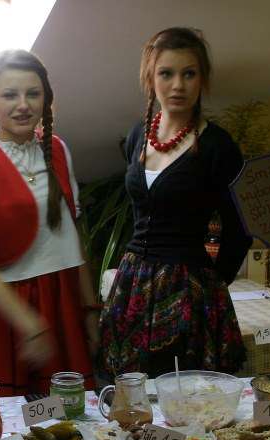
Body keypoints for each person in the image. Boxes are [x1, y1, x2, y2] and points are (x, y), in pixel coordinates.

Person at [98, 27, 252, 380]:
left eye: (189, 74)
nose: (178, 85)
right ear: (150, 78)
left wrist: (211, 286)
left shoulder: (218, 146)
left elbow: (240, 228)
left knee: (184, 394)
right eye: (166, 73)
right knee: (131, 393)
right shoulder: (138, 135)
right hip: (132, 284)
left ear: (203, 79)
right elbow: (140, 210)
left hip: (187, 289)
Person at [0, 49, 98, 396]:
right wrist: (28, 323)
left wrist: (90, 310)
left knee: (64, 414)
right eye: (9, 95)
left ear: (46, 98)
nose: (23, 105)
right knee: (3, 417)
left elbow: (71, 240)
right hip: (7, 308)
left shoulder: (57, 150)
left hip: (61, 300)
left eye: (33, 94)